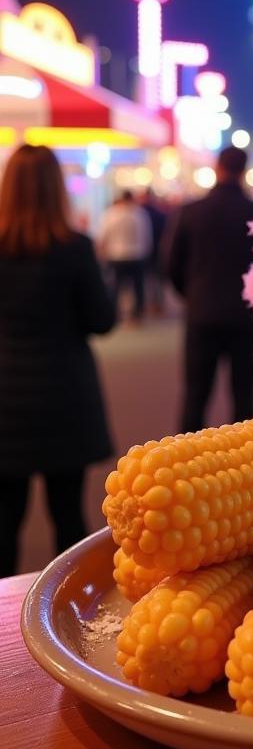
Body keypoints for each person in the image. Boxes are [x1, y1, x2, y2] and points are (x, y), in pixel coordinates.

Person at [0, 144, 116, 576]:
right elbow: (101, 320)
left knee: (4, 523)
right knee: (68, 517)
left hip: (6, 394)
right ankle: (64, 623)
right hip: (64, 393)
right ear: (56, 190)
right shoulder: (75, 248)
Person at [164, 146, 253, 433]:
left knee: (196, 394)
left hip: (202, 313)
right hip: (246, 317)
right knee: (244, 397)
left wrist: (192, 293)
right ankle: (245, 464)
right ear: (244, 171)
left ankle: (184, 462)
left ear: (217, 168)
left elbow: (170, 264)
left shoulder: (191, 211)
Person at [98, 190, 152, 323]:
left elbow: (103, 235)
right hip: (136, 255)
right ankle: (137, 315)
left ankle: (115, 314)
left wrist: (102, 253)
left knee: (116, 287)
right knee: (137, 287)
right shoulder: (139, 213)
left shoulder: (111, 214)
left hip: (117, 255)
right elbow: (146, 236)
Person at [138, 188, 168, 315]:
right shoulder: (158, 214)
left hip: (147, 251)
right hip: (153, 251)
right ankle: (156, 305)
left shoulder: (139, 213)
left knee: (148, 281)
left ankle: (152, 304)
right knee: (154, 281)